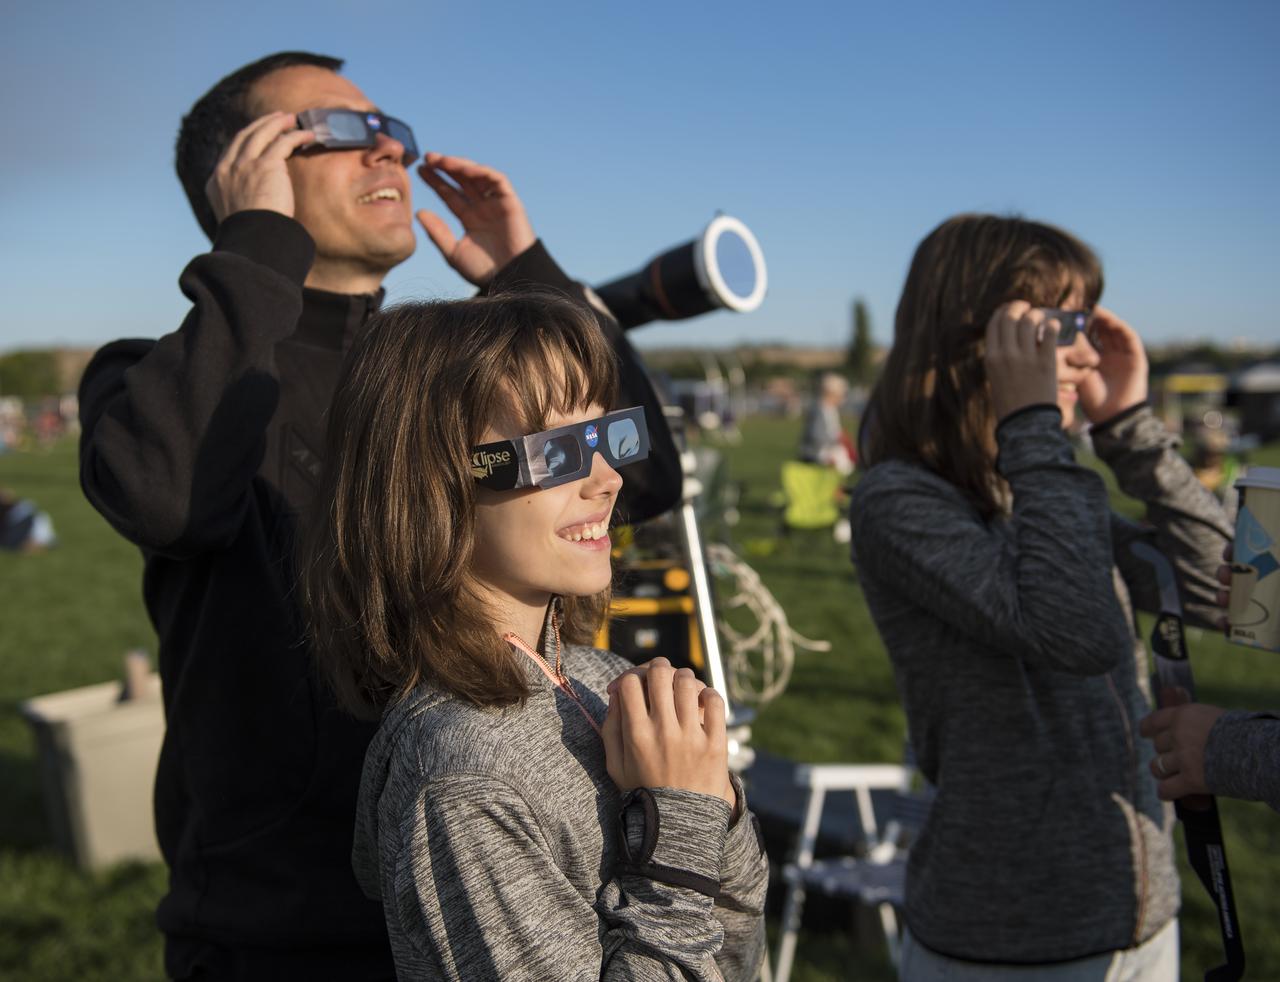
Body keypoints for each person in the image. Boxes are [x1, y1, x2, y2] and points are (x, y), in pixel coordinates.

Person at [77, 51, 680, 980]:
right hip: (287, 933)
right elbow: (164, 494)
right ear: (245, 172)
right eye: (340, 134)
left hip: (515, 884)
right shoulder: (156, 377)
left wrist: (529, 273)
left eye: (392, 131)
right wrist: (252, 245)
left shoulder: (441, 385)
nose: (389, 153)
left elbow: (640, 480)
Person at [300, 291, 768, 980]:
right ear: (433, 485)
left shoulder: (601, 678)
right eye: (556, 452)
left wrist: (710, 808)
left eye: (608, 436)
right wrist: (678, 827)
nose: (608, 480)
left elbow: (733, 952)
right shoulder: (464, 780)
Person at [851, 214, 1232, 978]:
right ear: (974, 337)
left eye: (1086, 324)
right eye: (1061, 326)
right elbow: (1077, 631)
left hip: (1140, 915)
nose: (1086, 353)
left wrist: (1127, 426)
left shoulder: (1036, 489)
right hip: (1011, 940)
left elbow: (1225, 590)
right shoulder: (901, 500)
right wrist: (1032, 423)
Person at [798, 371, 855, 475]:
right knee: (841, 461)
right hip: (817, 452)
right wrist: (837, 439)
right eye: (840, 394)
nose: (842, 398)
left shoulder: (829, 409)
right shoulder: (820, 410)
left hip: (825, 449)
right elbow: (816, 435)